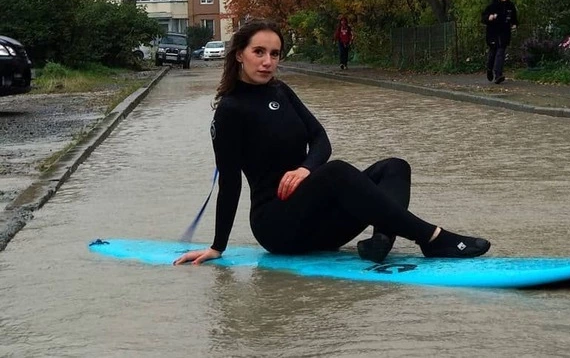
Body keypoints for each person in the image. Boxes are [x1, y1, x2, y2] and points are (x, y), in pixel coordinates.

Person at [174, 19, 491, 266]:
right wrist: (218, 246)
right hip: (279, 226)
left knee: (395, 167)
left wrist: (305, 169)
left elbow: (320, 139)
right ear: (240, 53)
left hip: (319, 220)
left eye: (274, 54)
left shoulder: (280, 91)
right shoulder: (230, 110)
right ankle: (432, 238)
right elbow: (230, 184)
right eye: (259, 52)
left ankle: (382, 238)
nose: (267, 61)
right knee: (337, 172)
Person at [481, 0, 518, 84]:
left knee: (500, 53)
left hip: (504, 33)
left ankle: (498, 75)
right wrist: (489, 17)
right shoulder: (492, 5)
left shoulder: (510, 5)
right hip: (493, 32)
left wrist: (514, 24)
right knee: (493, 53)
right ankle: (489, 69)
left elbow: (514, 17)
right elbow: (483, 17)